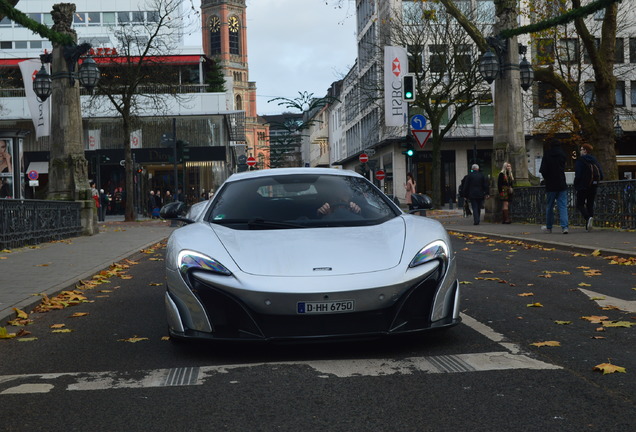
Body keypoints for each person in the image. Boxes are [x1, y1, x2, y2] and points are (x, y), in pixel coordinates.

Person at [540, 140, 569, 234]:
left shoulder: (547, 154)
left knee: (550, 206)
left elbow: (543, 170)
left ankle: (549, 227)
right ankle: (565, 227)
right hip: (561, 183)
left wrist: (547, 178)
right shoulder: (562, 154)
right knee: (563, 206)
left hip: (550, 184)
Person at [573, 143, 603, 231]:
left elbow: (578, 174)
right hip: (593, 185)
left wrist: (576, 184)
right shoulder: (594, 160)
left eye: (581, 149)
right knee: (590, 204)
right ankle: (589, 225)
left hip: (583, 186)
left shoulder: (580, 161)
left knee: (580, 204)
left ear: (585, 151)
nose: (580, 151)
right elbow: (601, 174)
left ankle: (587, 218)